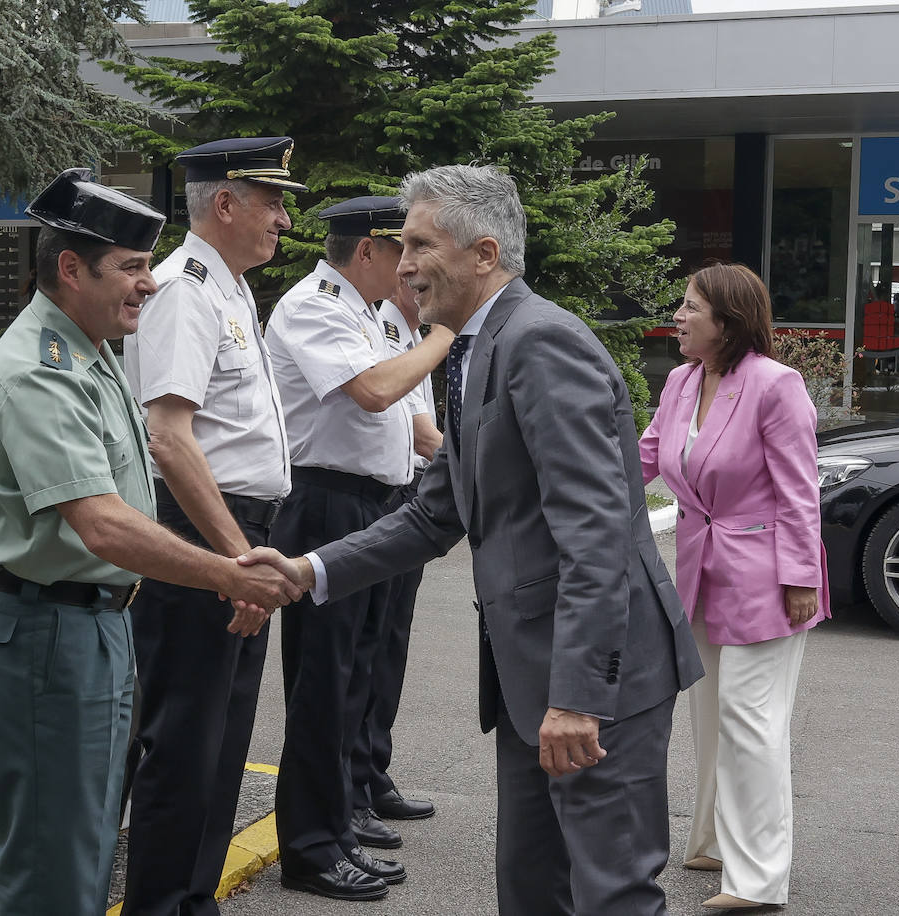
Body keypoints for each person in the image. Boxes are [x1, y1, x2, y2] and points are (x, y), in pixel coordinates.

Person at [239, 164, 703, 916]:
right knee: (531, 888)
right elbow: (434, 513)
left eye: (421, 243)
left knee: (610, 893)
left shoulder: (541, 343)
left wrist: (579, 698)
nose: (406, 262)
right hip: (534, 681)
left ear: (484, 254)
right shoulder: (479, 345)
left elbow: (597, 536)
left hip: (591, 687)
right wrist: (305, 570)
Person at [0, 168, 301, 916]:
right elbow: (102, 522)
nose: (150, 284)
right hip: (50, 629)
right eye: (133, 267)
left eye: (148, 266)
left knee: (83, 845)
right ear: (71, 269)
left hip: (92, 621)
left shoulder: (91, 353)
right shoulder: (40, 372)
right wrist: (231, 573)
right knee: (53, 859)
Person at [119, 136, 303, 916]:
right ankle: (164, 903)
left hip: (237, 531)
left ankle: (195, 898)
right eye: (272, 202)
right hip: (202, 534)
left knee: (223, 745)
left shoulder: (227, 288)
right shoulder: (185, 290)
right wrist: (238, 561)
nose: (285, 221)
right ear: (223, 204)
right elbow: (167, 435)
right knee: (185, 743)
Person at [264, 195, 453, 901]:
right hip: (325, 505)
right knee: (323, 682)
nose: (410, 264)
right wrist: (444, 336)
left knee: (353, 678)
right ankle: (310, 847)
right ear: (367, 250)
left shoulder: (365, 313)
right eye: (400, 248)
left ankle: (338, 824)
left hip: (369, 502)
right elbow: (375, 394)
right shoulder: (315, 304)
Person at [639, 262, 828, 911]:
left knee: (752, 723)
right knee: (712, 716)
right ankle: (717, 842)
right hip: (701, 569)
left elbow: (801, 491)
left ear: (729, 320)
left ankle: (758, 879)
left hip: (768, 578)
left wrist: (801, 576)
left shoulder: (777, 386)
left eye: (692, 307)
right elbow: (644, 457)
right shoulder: (681, 381)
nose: (680, 316)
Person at [350, 271, 443, 826]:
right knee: (370, 646)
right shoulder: (386, 331)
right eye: (422, 282)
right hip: (388, 495)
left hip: (407, 488)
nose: (431, 291)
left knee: (390, 645)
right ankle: (359, 780)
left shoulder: (411, 334)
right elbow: (421, 434)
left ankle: (373, 771)